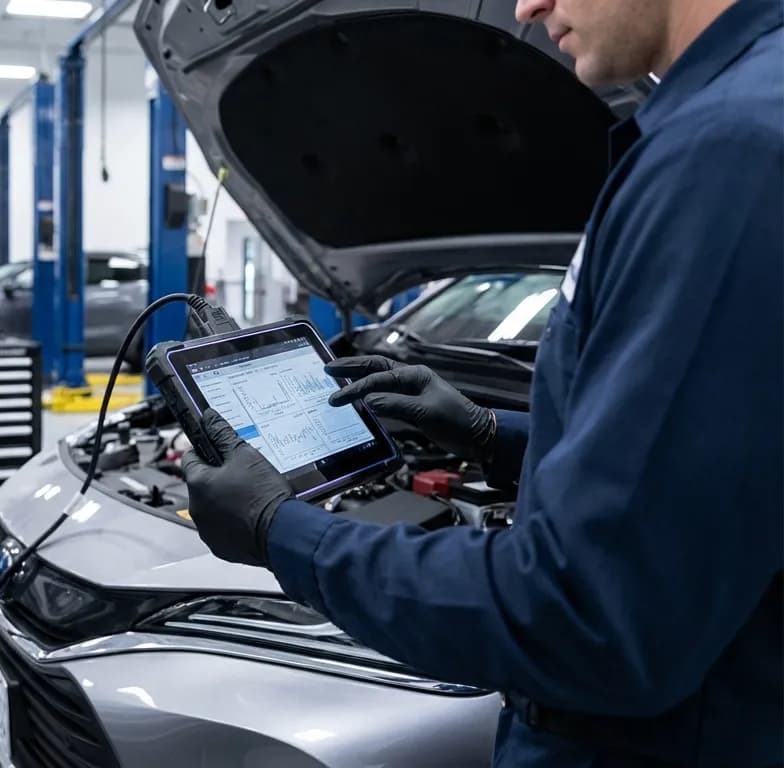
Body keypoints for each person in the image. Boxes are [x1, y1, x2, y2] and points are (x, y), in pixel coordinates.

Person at [180, 0, 782, 764]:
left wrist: (285, 533)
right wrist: (495, 437)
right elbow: (711, 469)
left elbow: (585, 616)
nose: (527, 7)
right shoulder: (740, 116)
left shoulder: (729, 154)